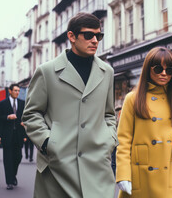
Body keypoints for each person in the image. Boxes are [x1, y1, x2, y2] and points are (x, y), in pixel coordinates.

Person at [22, 12, 117, 198]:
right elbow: (31, 114)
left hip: (96, 163)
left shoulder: (107, 72)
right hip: (58, 166)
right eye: (89, 35)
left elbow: (109, 114)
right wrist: (49, 142)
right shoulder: (47, 71)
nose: (95, 40)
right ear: (71, 36)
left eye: (99, 36)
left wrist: (109, 140)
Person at [116, 46, 172, 198]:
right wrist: (123, 174)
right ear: (148, 69)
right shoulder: (133, 98)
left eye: (169, 70)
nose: (163, 73)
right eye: (158, 69)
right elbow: (123, 141)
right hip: (141, 172)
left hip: (170, 172)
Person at [0, 84, 27, 190]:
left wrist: (24, 124)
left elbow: (25, 117)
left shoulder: (23, 103)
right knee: (8, 159)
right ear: (10, 91)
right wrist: (8, 117)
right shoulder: (2, 103)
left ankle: (13, 175)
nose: (17, 92)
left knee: (18, 157)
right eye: (15, 90)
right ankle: (9, 181)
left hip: (18, 135)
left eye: (18, 91)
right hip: (7, 135)